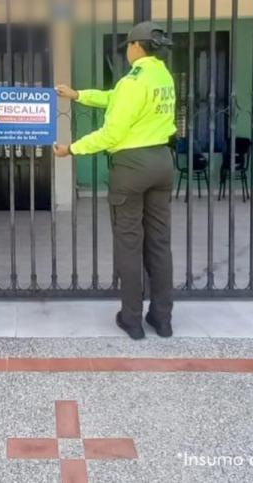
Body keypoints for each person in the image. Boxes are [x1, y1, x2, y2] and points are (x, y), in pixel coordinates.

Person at [54, 21, 177, 339]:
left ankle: (132, 319)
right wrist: (78, 94)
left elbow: (112, 133)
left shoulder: (133, 81)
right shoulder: (162, 76)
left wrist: (72, 149)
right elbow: (113, 98)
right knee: (160, 244)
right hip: (162, 161)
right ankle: (162, 319)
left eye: (127, 45)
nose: (126, 50)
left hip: (132, 167)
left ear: (136, 46)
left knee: (129, 243)